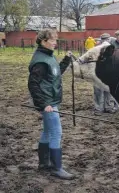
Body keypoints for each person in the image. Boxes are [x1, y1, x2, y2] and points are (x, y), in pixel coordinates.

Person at [28, 29, 75, 180]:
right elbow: (33, 84)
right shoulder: (40, 61)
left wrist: (66, 60)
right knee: (56, 132)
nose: (55, 42)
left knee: (48, 132)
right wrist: (44, 104)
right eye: (52, 40)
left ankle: (44, 163)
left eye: (56, 40)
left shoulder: (49, 56)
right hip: (48, 103)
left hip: (52, 101)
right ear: (43, 41)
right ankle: (57, 168)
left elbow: (55, 73)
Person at [93, 33, 119, 115]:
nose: (105, 41)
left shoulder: (112, 50)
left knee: (108, 92)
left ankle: (108, 107)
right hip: (97, 74)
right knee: (98, 92)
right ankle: (98, 108)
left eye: (107, 39)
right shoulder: (96, 49)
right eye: (103, 39)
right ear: (101, 40)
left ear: (109, 40)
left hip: (108, 75)